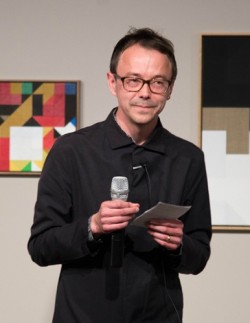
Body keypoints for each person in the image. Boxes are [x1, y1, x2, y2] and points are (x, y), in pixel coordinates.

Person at [28, 27, 212, 323]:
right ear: (112, 82)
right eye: (133, 80)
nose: (144, 92)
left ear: (170, 88)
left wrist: (180, 244)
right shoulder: (71, 150)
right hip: (81, 316)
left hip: (158, 316)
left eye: (158, 82)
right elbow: (40, 247)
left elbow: (200, 256)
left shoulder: (188, 158)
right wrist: (93, 226)